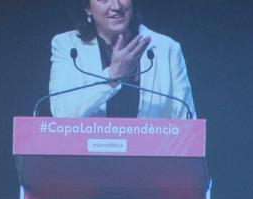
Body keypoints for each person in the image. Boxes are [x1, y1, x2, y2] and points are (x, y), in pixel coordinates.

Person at [49, 0, 195, 119]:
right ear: (87, 7)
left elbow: (186, 121)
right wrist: (112, 76)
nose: (116, 6)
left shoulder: (167, 48)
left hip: (152, 153)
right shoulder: (67, 46)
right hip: (87, 153)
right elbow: (62, 113)